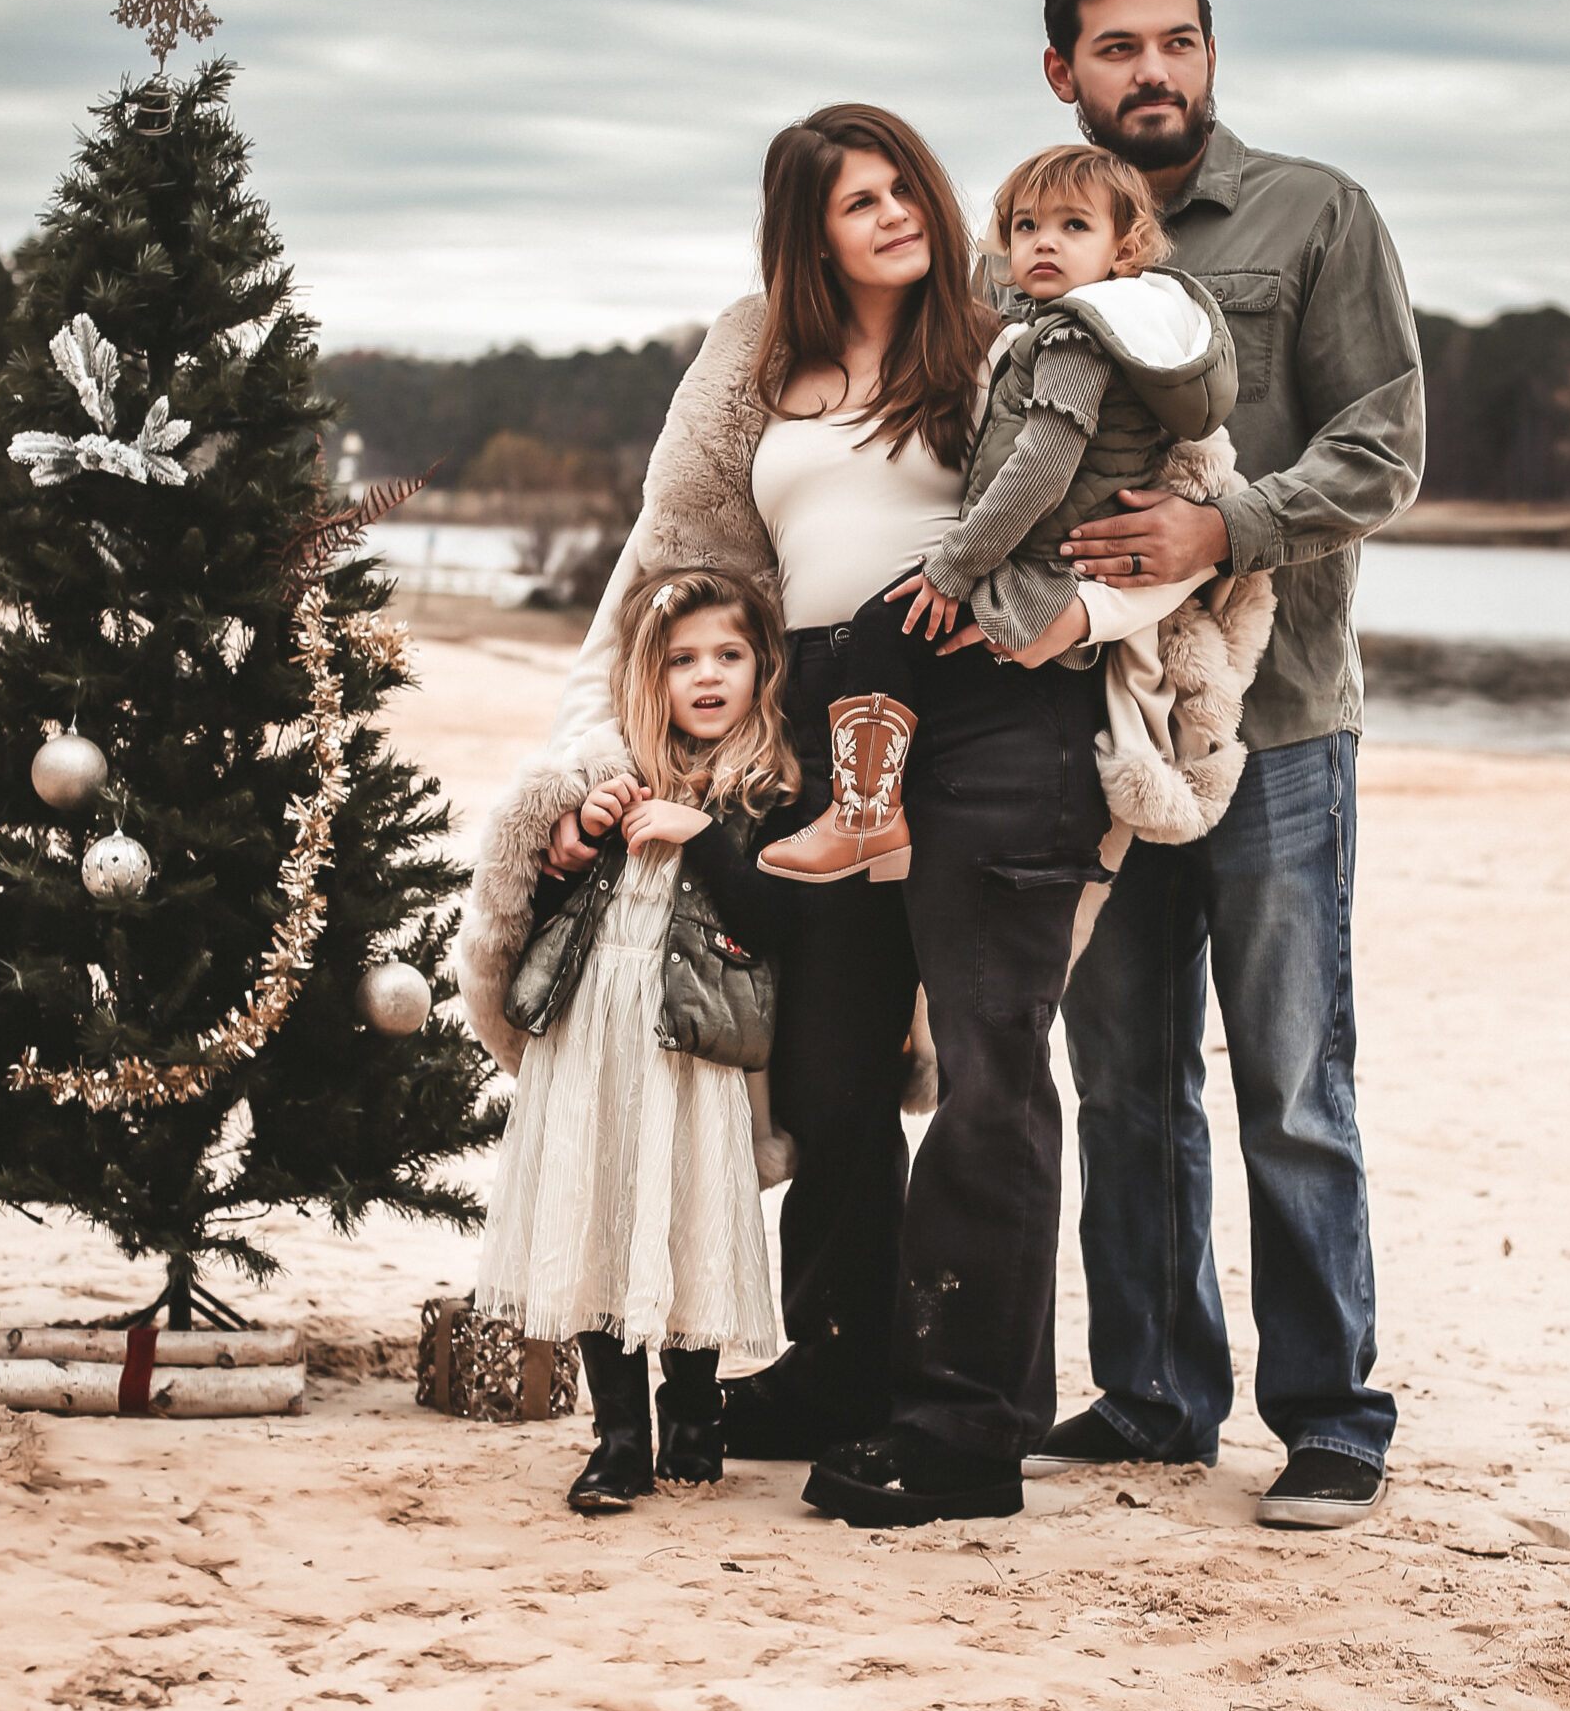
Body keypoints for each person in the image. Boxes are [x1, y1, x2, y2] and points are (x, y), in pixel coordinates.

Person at [460, 104, 1206, 1528]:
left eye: (899, 186)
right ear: (803, 229)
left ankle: (964, 1428)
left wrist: (1086, 617)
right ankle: (841, 1367)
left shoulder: (1017, 332)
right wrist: (585, 767)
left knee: (989, 1069)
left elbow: (1181, 511)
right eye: (849, 198)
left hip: (991, 715)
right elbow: (661, 574)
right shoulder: (751, 364)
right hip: (808, 728)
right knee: (828, 1075)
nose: (886, 213)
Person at [1029, 0, 1425, 1528]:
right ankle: (1153, 1398)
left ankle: (1328, 1417)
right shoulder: (1043, 234)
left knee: (1288, 1081)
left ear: (1209, 51)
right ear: (1062, 68)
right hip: (1096, 728)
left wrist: (1223, 530)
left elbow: (1383, 444)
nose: (1153, 73)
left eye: (1176, 42)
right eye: (1116, 49)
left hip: (1275, 725)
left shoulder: (1310, 214)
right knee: (1121, 1080)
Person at [757, 142, 1234, 886]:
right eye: (1025, 226)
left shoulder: (1076, 337)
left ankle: (864, 816)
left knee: (884, 625)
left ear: (1125, 249)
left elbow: (1041, 468)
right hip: (1032, 568)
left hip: (1035, 578)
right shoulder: (1057, 335)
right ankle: (868, 815)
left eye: (1073, 226)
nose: (1043, 242)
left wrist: (953, 566)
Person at [473, 567, 797, 1515]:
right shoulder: (608, 773)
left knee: (685, 1211)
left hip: (694, 1048)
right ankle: (619, 1436)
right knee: (595, 1208)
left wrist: (701, 833)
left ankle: (692, 1413)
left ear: (760, 667)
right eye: (681, 661)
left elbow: (773, 922)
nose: (706, 677)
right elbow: (541, 898)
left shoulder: (768, 786)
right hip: (594, 1035)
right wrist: (578, 833)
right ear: (643, 680)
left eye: (727, 656)